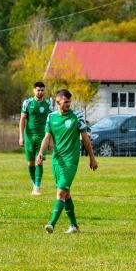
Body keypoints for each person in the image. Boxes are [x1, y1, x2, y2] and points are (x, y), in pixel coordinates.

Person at [37, 89, 98, 234]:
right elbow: (47, 137)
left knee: (60, 192)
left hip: (71, 159)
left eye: (69, 102)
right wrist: (40, 153)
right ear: (58, 102)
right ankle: (74, 226)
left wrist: (92, 158)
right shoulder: (51, 117)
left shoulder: (77, 116)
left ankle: (51, 224)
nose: (68, 104)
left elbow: (85, 138)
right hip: (57, 160)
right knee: (66, 193)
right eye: (65, 102)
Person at [19, 81, 53, 195]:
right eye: (38, 90)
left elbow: (52, 122)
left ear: (45, 91)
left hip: (42, 137)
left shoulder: (48, 104)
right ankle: (35, 185)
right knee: (30, 163)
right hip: (28, 136)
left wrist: (51, 140)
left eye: (42, 90)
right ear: (34, 90)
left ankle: (37, 187)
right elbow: (22, 119)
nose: (40, 92)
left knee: (39, 161)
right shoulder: (27, 103)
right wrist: (21, 137)